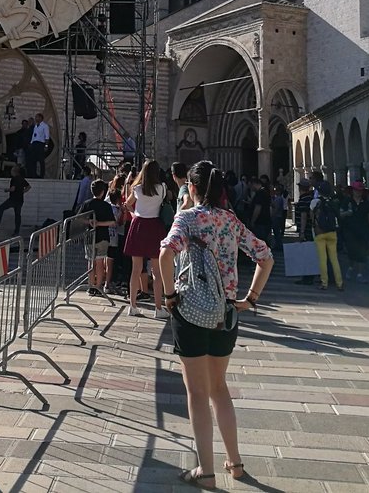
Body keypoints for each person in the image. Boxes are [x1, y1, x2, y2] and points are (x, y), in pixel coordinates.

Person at [157, 160, 273, 488]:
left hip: (191, 312)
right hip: (226, 315)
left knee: (196, 393)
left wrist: (168, 296)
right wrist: (249, 299)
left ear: (191, 189)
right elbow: (265, 257)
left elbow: (166, 255)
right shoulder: (231, 221)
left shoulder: (187, 218)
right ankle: (235, 463)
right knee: (219, 389)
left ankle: (205, 472)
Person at [123, 158, 167, 317]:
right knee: (157, 271)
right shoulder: (162, 188)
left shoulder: (137, 189)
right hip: (155, 226)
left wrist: (133, 215)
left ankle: (133, 306)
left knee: (135, 269)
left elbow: (127, 204)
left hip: (139, 225)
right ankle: (158, 308)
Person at [79, 179, 116, 295]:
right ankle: (99, 286)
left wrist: (89, 221)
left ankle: (91, 285)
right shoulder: (106, 206)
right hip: (103, 236)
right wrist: (99, 223)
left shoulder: (87, 204)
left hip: (90, 236)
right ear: (103, 192)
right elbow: (112, 222)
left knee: (91, 262)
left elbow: (78, 218)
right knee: (100, 261)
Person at [310, 183, 344, 290]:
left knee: (322, 259)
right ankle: (339, 283)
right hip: (332, 232)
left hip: (320, 233)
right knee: (334, 259)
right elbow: (338, 216)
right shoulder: (333, 203)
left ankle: (324, 283)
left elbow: (312, 217)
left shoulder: (315, 202)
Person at [0, 164, 30, 235]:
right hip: (20, 200)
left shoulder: (14, 179)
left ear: (14, 172)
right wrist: (22, 192)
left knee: (0, 208)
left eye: (12, 170)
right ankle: (16, 231)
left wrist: (6, 190)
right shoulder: (21, 178)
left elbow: (13, 189)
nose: (11, 172)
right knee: (17, 215)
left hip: (13, 199)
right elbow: (29, 187)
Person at [28, 112, 50, 178]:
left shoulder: (45, 126)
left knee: (41, 160)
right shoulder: (35, 126)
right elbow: (33, 136)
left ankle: (41, 175)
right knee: (33, 160)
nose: (36, 118)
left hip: (40, 144)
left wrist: (46, 145)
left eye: (37, 117)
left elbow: (47, 136)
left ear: (40, 118)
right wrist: (31, 143)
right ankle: (34, 174)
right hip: (35, 143)